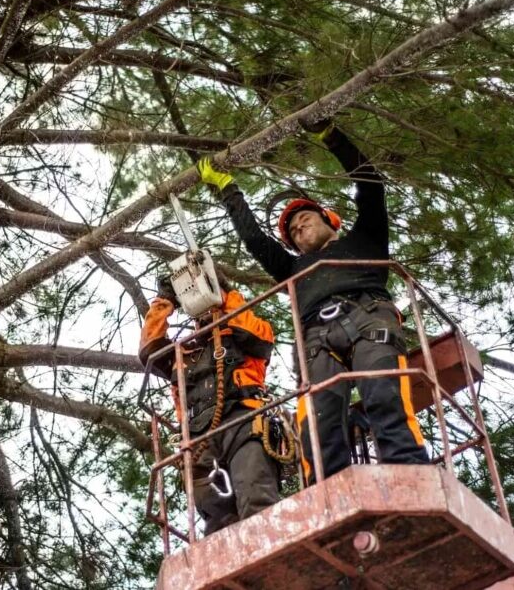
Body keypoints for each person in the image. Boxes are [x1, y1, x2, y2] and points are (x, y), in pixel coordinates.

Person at [198, 118, 429, 485]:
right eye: (292, 231)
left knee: (384, 394)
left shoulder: (366, 239)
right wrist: (228, 189)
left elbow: (370, 184)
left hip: (369, 316)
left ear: (329, 220)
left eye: (304, 219)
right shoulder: (292, 268)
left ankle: (412, 476)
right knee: (318, 422)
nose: (298, 228)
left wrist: (332, 136)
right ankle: (328, 491)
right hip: (317, 337)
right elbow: (255, 239)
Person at [138, 273, 281, 534]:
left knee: (255, 495)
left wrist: (226, 292)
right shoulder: (182, 353)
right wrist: (165, 301)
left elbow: (251, 333)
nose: (205, 314)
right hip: (198, 438)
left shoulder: (243, 335)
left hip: (243, 422)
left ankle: (271, 545)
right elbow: (149, 350)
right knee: (216, 519)